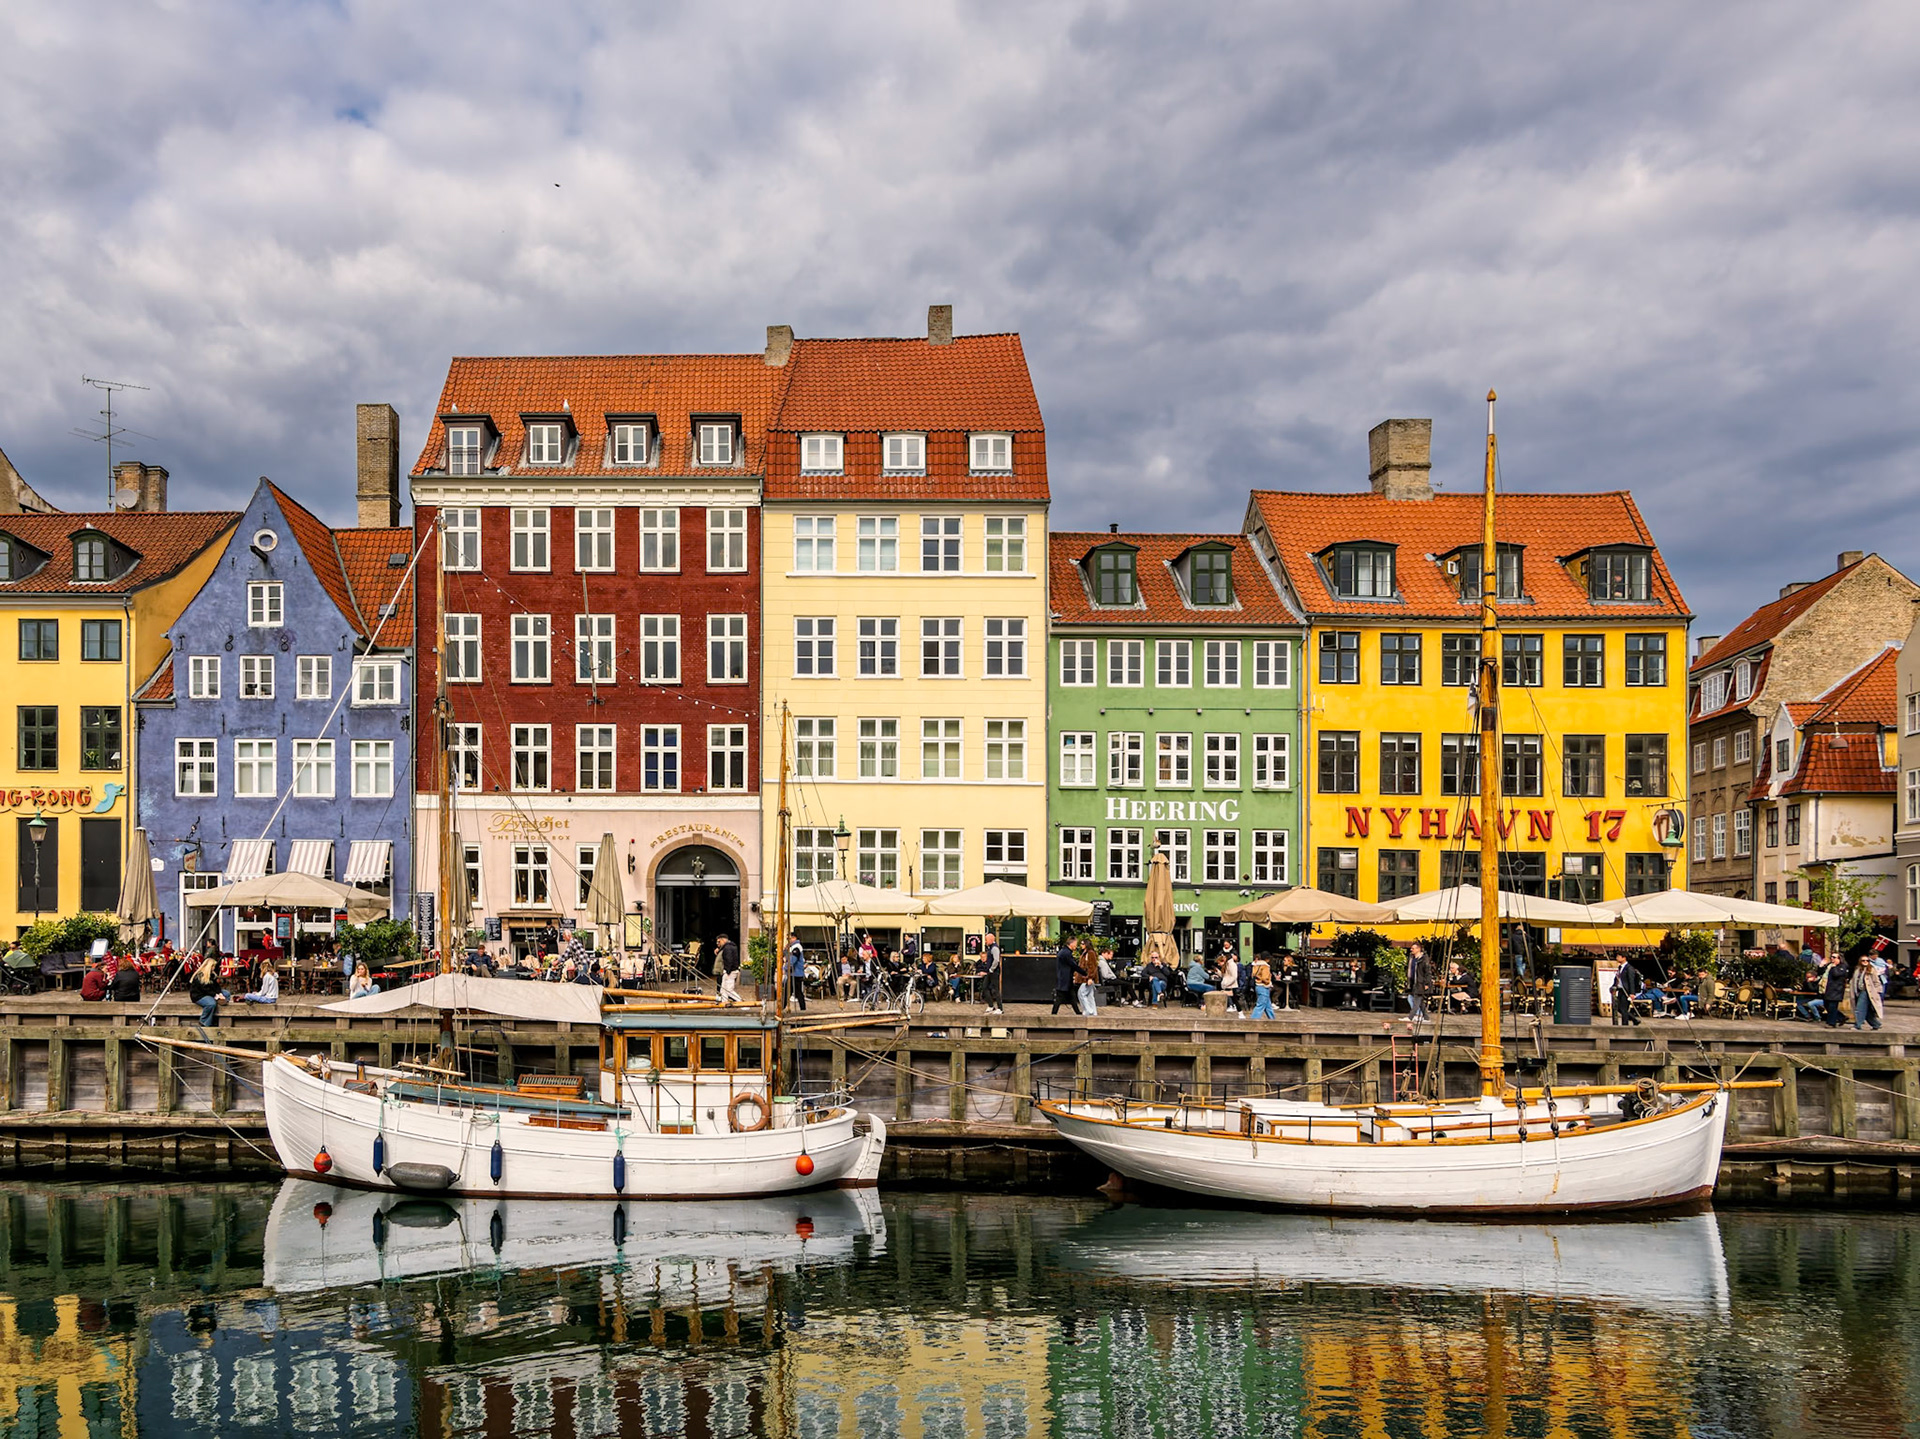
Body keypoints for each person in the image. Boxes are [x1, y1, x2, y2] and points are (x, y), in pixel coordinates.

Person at [1847, 950, 1885, 1031]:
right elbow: (1854, 980)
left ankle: (1857, 1025)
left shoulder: (1871, 970)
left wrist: (1878, 991)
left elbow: (1876, 981)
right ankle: (1876, 1024)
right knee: (1867, 1011)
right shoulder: (1857, 970)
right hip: (1858, 991)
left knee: (1859, 1008)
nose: (1865, 962)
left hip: (1867, 991)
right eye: (1863, 960)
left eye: (1867, 960)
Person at [188, 957, 225, 1026]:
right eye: (213, 966)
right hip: (200, 995)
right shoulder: (199, 976)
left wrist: (219, 993)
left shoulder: (212, 975)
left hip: (210, 992)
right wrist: (215, 995)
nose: (214, 968)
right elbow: (205, 989)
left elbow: (216, 986)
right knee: (211, 1004)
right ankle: (204, 1021)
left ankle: (218, 1001)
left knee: (226, 993)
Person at [1609, 955, 1642, 1025]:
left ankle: (1625, 1024)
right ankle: (1634, 1019)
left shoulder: (1629, 968)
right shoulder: (1620, 967)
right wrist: (1613, 986)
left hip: (1626, 991)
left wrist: (1632, 993)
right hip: (1620, 990)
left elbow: (1631, 981)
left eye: (1618, 957)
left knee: (1623, 1008)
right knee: (1618, 1007)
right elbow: (1617, 978)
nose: (1617, 958)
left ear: (1624, 958)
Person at [1820, 950, 1849, 1028]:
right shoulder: (1829, 966)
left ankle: (1831, 1023)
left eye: (1834, 957)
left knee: (1832, 1006)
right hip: (1828, 989)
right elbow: (1821, 972)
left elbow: (1836, 974)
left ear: (1839, 958)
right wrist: (1821, 965)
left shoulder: (1842, 967)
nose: (1832, 959)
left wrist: (1834, 966)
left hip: (1836, 989)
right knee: (1826, 1005)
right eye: (1831, 957)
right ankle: (1841, 1017)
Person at [1406, 941, 1432, 1023]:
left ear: (1418, 949)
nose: (1411, 950)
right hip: (1413, 982)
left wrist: (1427, 983)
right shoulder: (1412, 958)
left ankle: (1410, 1017)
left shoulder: (1423, 959)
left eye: (1413, 948)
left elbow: (1428, 972)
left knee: (1416, 1000)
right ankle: (1426, 1017)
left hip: (1421, 983)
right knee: (1420, 1002)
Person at [1051, 938, 1076, 1015]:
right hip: (1065, 978)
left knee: (1071, 996)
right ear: (1071, 944)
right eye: (1075, 944)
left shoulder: (1064, 952)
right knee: (1061, 996)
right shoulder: (1066, 953)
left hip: (1064, 977)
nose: (1076, 946)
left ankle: (1077, 1012)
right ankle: (1054, 1013)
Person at [980, 933, 1003, 1015]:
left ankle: (1000, 1008)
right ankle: (990, 1005)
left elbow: (996, 960)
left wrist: (991, 969)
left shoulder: (994, 948)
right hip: (989, 971)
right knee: (984, 987)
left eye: (986, 940)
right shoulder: (990, 948)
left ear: (991, 940)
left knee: (995, 989)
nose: (985, 941)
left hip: (994, 971)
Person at [716, 932, 741, 1004]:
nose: (718, 943)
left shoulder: (727, 948)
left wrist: (727, 971)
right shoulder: (730, 946)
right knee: (723, 989)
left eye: (719, 941)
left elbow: (729, 960)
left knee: (729, 990)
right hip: (730, 970)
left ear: (723, 940)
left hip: (730, 971)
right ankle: (724, 1003)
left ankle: (740, 1001)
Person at [1249, 953, 1276, 1020]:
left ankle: (1272, 1019)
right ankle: (1253, 1020)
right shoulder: (1265, 966)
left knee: (1268, 1006)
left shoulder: (1256, 965)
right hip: (1264, 986)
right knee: (1260, 1005)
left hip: (1258, 986)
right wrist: (1268, 982)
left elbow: (1253, 974)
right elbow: (1264, 977)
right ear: (1267, 959)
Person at [786, 932, 808, 1012]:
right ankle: (803, 1008)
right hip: (795, 973)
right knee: (796, 991)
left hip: (795, 973)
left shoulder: (796, 947)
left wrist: (785, 968)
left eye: (789, 938)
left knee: (789, 991)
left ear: (794, 938)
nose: (788, 940)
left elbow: (793, 960)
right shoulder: (793, 947)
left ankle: (781, 1007)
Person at [1076, 944, 1099, 1016]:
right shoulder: (1085, 953)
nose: (1081, 945)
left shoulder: (1090, 953)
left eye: (1083, 943)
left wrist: (1090, 977)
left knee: (1081, 993)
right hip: (1085, 977)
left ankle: (1089, 1010)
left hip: (1086, 978)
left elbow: (1092, 966)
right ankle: (1094, 1012)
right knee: (1089, 996)